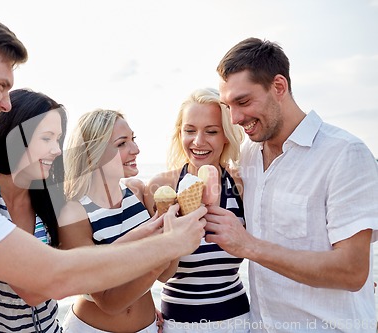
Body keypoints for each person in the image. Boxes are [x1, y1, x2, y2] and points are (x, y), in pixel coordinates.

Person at [0, 6, 208, 332]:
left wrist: (149, 233)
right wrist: (169, 244)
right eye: (1, 85)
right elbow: (48, 278)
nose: (6, 103)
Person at [206, 37, 378, 332]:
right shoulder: (248, 153)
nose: (234, 118)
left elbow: (352, 271)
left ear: (279, 87)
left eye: (243, 102)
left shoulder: (345, 153)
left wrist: (248, 246)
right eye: (228, 106)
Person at [144, 88, 250, 333]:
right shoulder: (162, 187)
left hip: (238, 321)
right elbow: (148, 267)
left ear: (226, 135)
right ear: (179, 133)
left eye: (211, 131)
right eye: (190, 130)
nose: (198, 141)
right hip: (177, 323)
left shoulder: (240, 184)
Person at [58, 109, 172, 333]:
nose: (136, 150)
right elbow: (110, 303)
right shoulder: (73, 212)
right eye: (121, 144)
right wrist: (165, 247)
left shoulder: (137, 191)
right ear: (92, 153)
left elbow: (166, 275)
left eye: (133, 139)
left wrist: (175, 226)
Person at [0, 88, 67, 332]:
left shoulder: (48, 198)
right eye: (46, 138)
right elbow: (32, 291)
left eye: (57, 139)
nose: (57, 150)